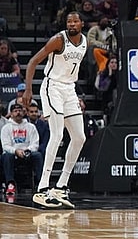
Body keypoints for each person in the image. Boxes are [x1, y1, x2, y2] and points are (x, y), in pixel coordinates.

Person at [23, 12, 87, 209]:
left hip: (69, 89)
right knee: (57, 135)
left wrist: (76, 94)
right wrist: (28, 89)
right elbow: (33, 61)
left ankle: (61, 186)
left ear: (81, 24)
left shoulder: (84, 41)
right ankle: (42, 189)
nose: (72, 24)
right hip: (53, 87)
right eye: (69, 21)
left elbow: (72, 71)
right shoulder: (58, 40)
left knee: (79, 137)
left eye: (75, 21)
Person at [1, 103, 44, 197]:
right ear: (11, 114)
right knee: (6, 156)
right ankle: (10, 184)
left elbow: (35, 144)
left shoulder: (30, 127)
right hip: (12, 154)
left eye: (20, 111)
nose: (18, 113)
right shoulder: (6, 128)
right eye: (15, 111)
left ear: (23, 113)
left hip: (27, 154)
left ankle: (41, 183)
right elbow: (5, 146)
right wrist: (16, 151)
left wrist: (26, 151)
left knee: (38, 155)